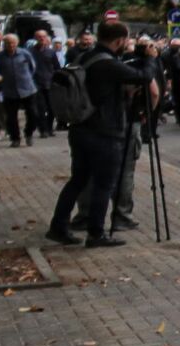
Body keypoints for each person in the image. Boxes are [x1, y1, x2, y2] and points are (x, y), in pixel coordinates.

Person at [46, 22, 156, 248]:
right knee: (104, 184)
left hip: (80, 127)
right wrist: (150, 57)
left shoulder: (85, 58)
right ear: (119, 41)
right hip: (105, 132)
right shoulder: (107, 64)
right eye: (125, 40)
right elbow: (143, 77)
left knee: (78, 180)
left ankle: (58, 226)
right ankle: (96, 233)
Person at [70, 38, 161, 234]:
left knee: (87, 175)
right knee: (123, 173)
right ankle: (121, 216)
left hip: (88, 122)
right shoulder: (135, 65)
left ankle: (84, 215)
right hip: (123, 124)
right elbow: (154, 92)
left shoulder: (90, 59)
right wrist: (147, 114)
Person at [0, 34, 40, 146]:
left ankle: (29, 133)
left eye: (13, 43)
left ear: (17, 43)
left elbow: (32, 68)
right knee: (11, 117)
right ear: (4, 44)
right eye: (8, 43)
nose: (11, 45)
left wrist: (25, 78)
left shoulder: (25, 54)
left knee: (33, 114)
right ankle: (15, 138)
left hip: (27, 89)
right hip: (9, 90)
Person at [29, 31, 60, 138]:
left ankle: (49, 128)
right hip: (36, 84)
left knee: (52, 108)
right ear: (35, 38)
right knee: (40, 108)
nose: (42, 38)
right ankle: (43, 130)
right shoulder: (30, 52)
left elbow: (57, 68)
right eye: (39, 37)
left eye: (43, 36)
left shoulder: (51, 52)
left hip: (50, 83)